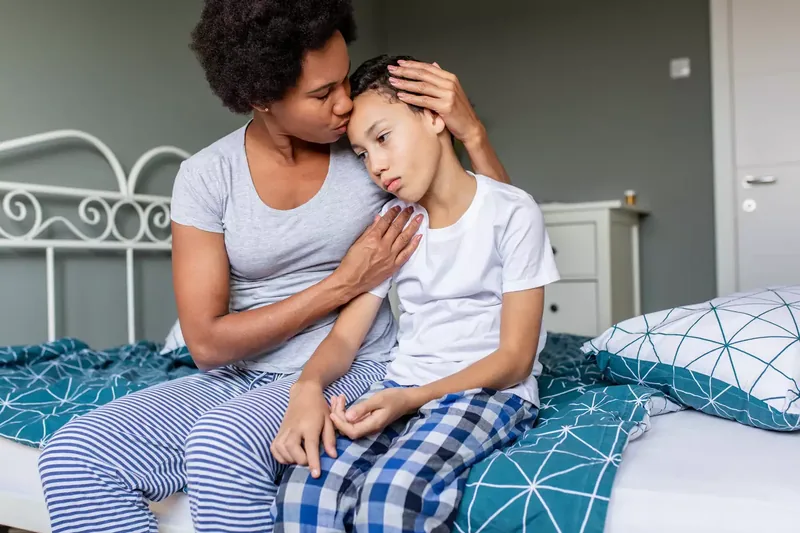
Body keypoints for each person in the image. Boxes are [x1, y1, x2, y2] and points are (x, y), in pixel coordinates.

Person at [36, 2, 512, 533]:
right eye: (322, 94)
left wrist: (472, 134)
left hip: (355, 363)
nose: (344, 102)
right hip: (235, 373)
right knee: (71, 457)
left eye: (344, 81)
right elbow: (207, 344)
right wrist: (343, 283)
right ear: (261, 97)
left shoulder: (367, 152)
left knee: (222, 446)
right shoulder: (207, 177)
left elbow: (496, 231)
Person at [271, 54, 560, 533]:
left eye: (383, 138)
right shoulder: (394, 224)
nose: (376, 166)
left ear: (433, 117)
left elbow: (515, 360)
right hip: (402, 386)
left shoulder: (512, 212)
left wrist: (411, 399)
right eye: (362, 154)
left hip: (488, 393)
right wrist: (308, 387)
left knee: (390, 497)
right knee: (305, 489)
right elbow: (345, 337)